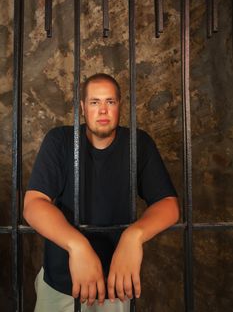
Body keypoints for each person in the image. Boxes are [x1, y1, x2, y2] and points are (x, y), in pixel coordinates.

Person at [23, 73, 179, 312]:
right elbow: (34, 204)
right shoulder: (60, 141)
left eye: (110, 102)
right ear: (83, 108)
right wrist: (77, 245)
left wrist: (134, 236)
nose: (103, 110)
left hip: (115, 284)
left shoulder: (138, 143)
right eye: (95, 102)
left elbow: (168, 204)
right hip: (61, 281)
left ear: (120, 106)